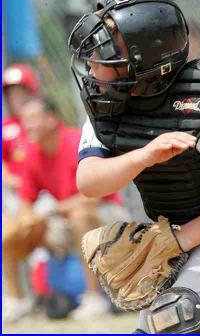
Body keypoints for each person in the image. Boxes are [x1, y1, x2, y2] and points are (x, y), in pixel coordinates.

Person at [68, 0, 200, 334]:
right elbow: (89, 181)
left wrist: (179, 242)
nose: (94, 63)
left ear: (146, 59)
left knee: (174, 317)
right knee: (155, 326)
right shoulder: (108, 102)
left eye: (109, 51)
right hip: (177, 226)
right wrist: (143, 156)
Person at [2, 96, 129, 323]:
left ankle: (94, 298)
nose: (27, 125)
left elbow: (93, 198)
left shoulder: (75, 141)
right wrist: (22, 222)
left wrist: (50, 211)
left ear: (51, 119)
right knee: (10, 230)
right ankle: (18, 301)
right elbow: (25, 203)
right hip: (66, 219)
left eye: (32, 118)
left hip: (108, 215)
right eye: (24, 120)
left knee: (78, 216)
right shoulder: (33, 152)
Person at [2, 63, 40, 213]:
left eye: (20, 93)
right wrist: (8, 179)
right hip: (14, 189)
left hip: (41, 188)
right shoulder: (5, 126)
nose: (15, 99)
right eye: (11, 95)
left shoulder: (41, 120)